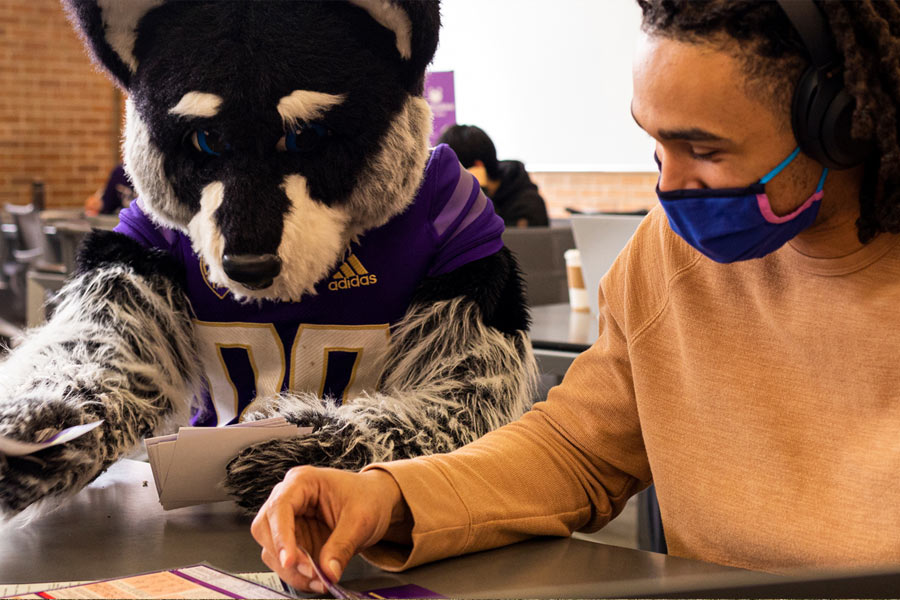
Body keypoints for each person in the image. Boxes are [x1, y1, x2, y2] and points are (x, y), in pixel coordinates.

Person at [251, 0, 900, 592]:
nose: (669, 190)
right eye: (654, 143)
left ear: (839, 123)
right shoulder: (668, 254)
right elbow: (574, 450)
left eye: (703, 150)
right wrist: (387, 497)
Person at [438, 124, 550, 227]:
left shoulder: (528, 203)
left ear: (477, 168)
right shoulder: (456, 199)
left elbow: (495, 240)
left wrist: (479, 193)